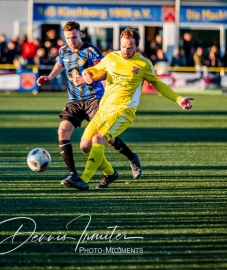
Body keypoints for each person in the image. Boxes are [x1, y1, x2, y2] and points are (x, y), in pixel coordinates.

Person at [62, 28, 194, 190]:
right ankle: (110, 173)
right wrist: (87, 74)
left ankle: (83, 179)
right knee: (84, 145)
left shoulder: (144, 64)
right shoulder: (112, 57)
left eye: (130, 48)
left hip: (123, 112)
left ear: (137, 46)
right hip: (103, 109)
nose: (126, 50)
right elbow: (95, 69)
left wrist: (179, 99)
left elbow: (158, 84)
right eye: (123, 46)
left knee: (99, 138)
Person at [36, 21, 142, 185]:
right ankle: (73, 173)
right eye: (68, 38)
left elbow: (105, 71)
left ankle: (131, 157)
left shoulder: (91, 51)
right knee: (63, 130)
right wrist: (50, 77)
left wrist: (108, 94)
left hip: (94, 99)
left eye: (74, 37)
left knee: (105, 138)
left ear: (80, 34)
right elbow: (60, 63)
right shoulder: (64, 51)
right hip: (75, 101)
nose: (71, 41)